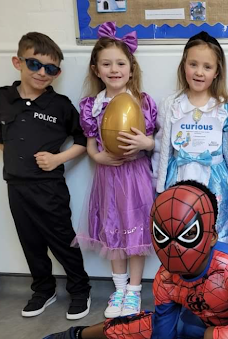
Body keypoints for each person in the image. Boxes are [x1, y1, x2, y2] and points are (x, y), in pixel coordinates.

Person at [43, 181, 228, 339]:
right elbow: (163, 332)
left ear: (212, 237)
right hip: (190, 327)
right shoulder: (165, 278)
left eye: (188, 234)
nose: (174, 247)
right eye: (162, 235)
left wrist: (215, 335)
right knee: (129, 327)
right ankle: (74, 335)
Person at [0, 32, 91, 319]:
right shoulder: (3, 98)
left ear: (58, 72)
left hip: (49, 188)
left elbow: (84, 140)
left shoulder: (60, 106)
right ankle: (43, 289)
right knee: (30, 242)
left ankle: (80, 289)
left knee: (62, 240)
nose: (42, 73)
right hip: (16, 186)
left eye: (50, 69)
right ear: (18, 62)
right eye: (34, 64)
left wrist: (57, 159)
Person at [72, 22, 157, 318]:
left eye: (121, 63)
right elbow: (91, 144)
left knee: (136, 235)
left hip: (136, 178)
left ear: (131, 69)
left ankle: (134, 293)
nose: (114, 69)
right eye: (106, 64)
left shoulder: (144, 103)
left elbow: (155, 141)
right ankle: (118, 289)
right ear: (96, 70)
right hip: (108, 179)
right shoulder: (90, 106)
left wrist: (147, 142)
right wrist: (98, 158)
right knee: (114, 233)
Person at [152, 31, 228, 244]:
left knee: (215, 235)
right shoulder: (171, 104)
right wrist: (158, 184)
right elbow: (160, 147)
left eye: (207, 67)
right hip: (179, 177)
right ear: (184, 66)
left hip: (216, 180)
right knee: (182, 234)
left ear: (217, 71)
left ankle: (215, 277)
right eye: (193, 64)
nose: (199, 72)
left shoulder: (225, 107)